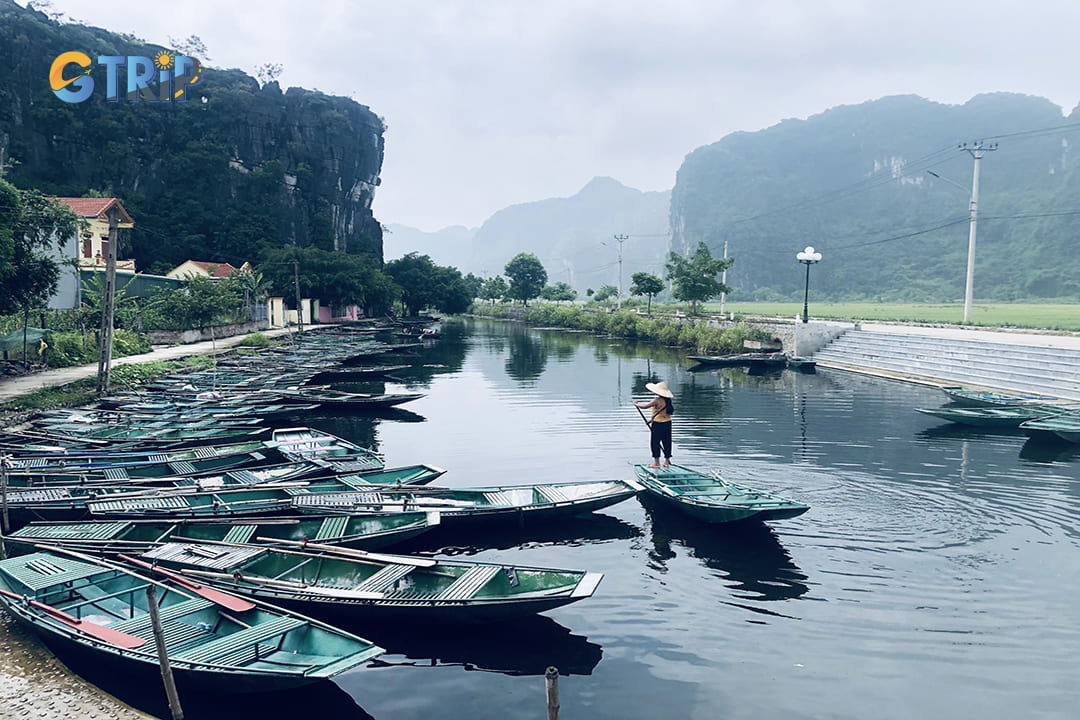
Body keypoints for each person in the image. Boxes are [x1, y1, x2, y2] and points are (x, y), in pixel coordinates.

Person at [633, 380, 674, 469]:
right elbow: (661, 413)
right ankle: (666, 462)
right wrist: (650, 420)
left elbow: (645, 407)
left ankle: (657, 463)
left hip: (658, 424)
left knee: (655, 442)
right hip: (667, 423)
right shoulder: (668, 401)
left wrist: (636, 404)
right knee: (667, 442)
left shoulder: (657, 400)